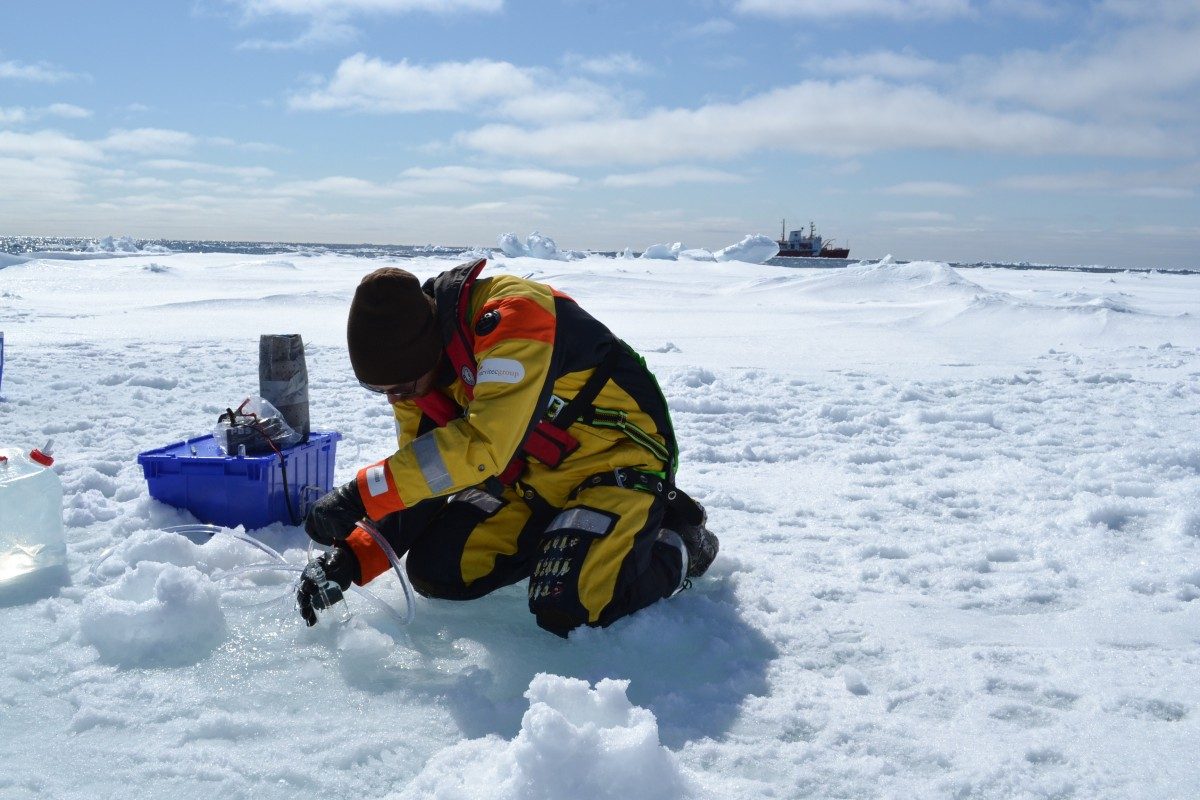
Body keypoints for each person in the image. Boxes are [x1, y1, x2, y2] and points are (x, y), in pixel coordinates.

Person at [297, 258, 718, 637]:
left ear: (429, 354)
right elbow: (423, 476)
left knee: (570, 606)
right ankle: (566, 539)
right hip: (530, 479)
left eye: (400, 387)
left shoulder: (516, 316)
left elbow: (485, 443)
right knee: (437, 570)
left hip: (615, 465)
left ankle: (680, 544)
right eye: (379, 390)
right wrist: (352, 557)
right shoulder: (416, 380)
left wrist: (358, 494)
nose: (394, 399)